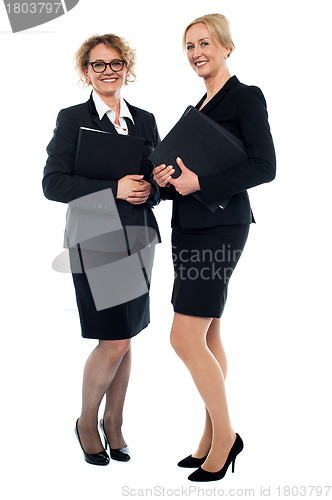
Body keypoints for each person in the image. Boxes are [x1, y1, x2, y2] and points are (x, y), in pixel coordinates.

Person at [153, 13, 276, 482]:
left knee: (182, 337)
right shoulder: (198, 109)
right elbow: (183, 182)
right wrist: (166, 182)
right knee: (207, 336)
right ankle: (209, 437)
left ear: (226, 47)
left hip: (220, 228)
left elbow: (265, 167)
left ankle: (226, 439)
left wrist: (199, 181)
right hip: (190, 227)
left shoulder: (246, 97)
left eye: (204, 43)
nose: (197, 52)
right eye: (189, 47)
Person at [43, 34, 160, 466]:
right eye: (98, 64)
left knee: (125, 339)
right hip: (95, 238)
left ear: (127, 68)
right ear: (85, 72)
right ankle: (87, 423)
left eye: (115, 64)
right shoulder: (73, 119)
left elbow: (155, 188)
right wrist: (115, 189)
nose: (107, 71)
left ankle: (115, 423)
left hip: (138, 238)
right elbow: (53, 184)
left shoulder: (144, 120)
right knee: (112, 340)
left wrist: (149, 188)